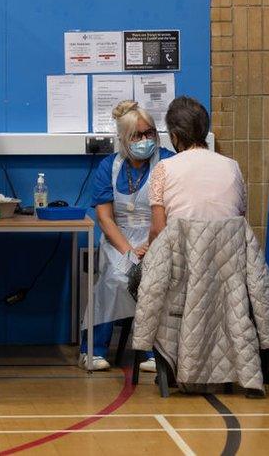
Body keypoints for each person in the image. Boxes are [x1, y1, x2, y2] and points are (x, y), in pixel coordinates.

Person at [81, 100, 174, 372]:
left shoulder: (167, 161)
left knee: (154, 281)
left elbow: (172, 210)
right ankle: (93, 349)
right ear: (123, 139)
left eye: (150, 133)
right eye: (137, 135)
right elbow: (105, 218)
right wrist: (130, 251)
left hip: (158, 234)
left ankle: (152, 352)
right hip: (118, 239)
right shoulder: (108, 168)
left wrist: (150, 245)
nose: (145, 140)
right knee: (116, 279)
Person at [149, 96, 246, 241]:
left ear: (174, 136)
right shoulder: (233, 167)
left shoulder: (163, 168)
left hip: (182, 257)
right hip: (229, 257)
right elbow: (240, 218)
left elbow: (158, 231)